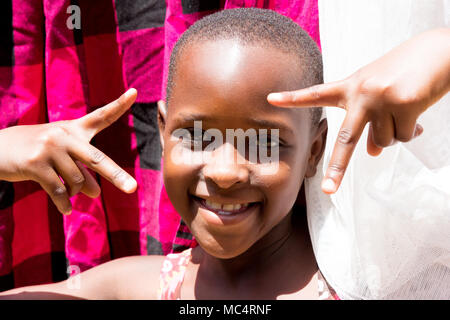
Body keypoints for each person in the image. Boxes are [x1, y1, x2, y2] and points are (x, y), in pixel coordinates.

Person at [0, 8, 333, 300]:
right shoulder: (129, 288)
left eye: (264, 144)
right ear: (163, 130)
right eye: (198, 136)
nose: (225, 172)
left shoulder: (357, 282)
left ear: (313, 150)